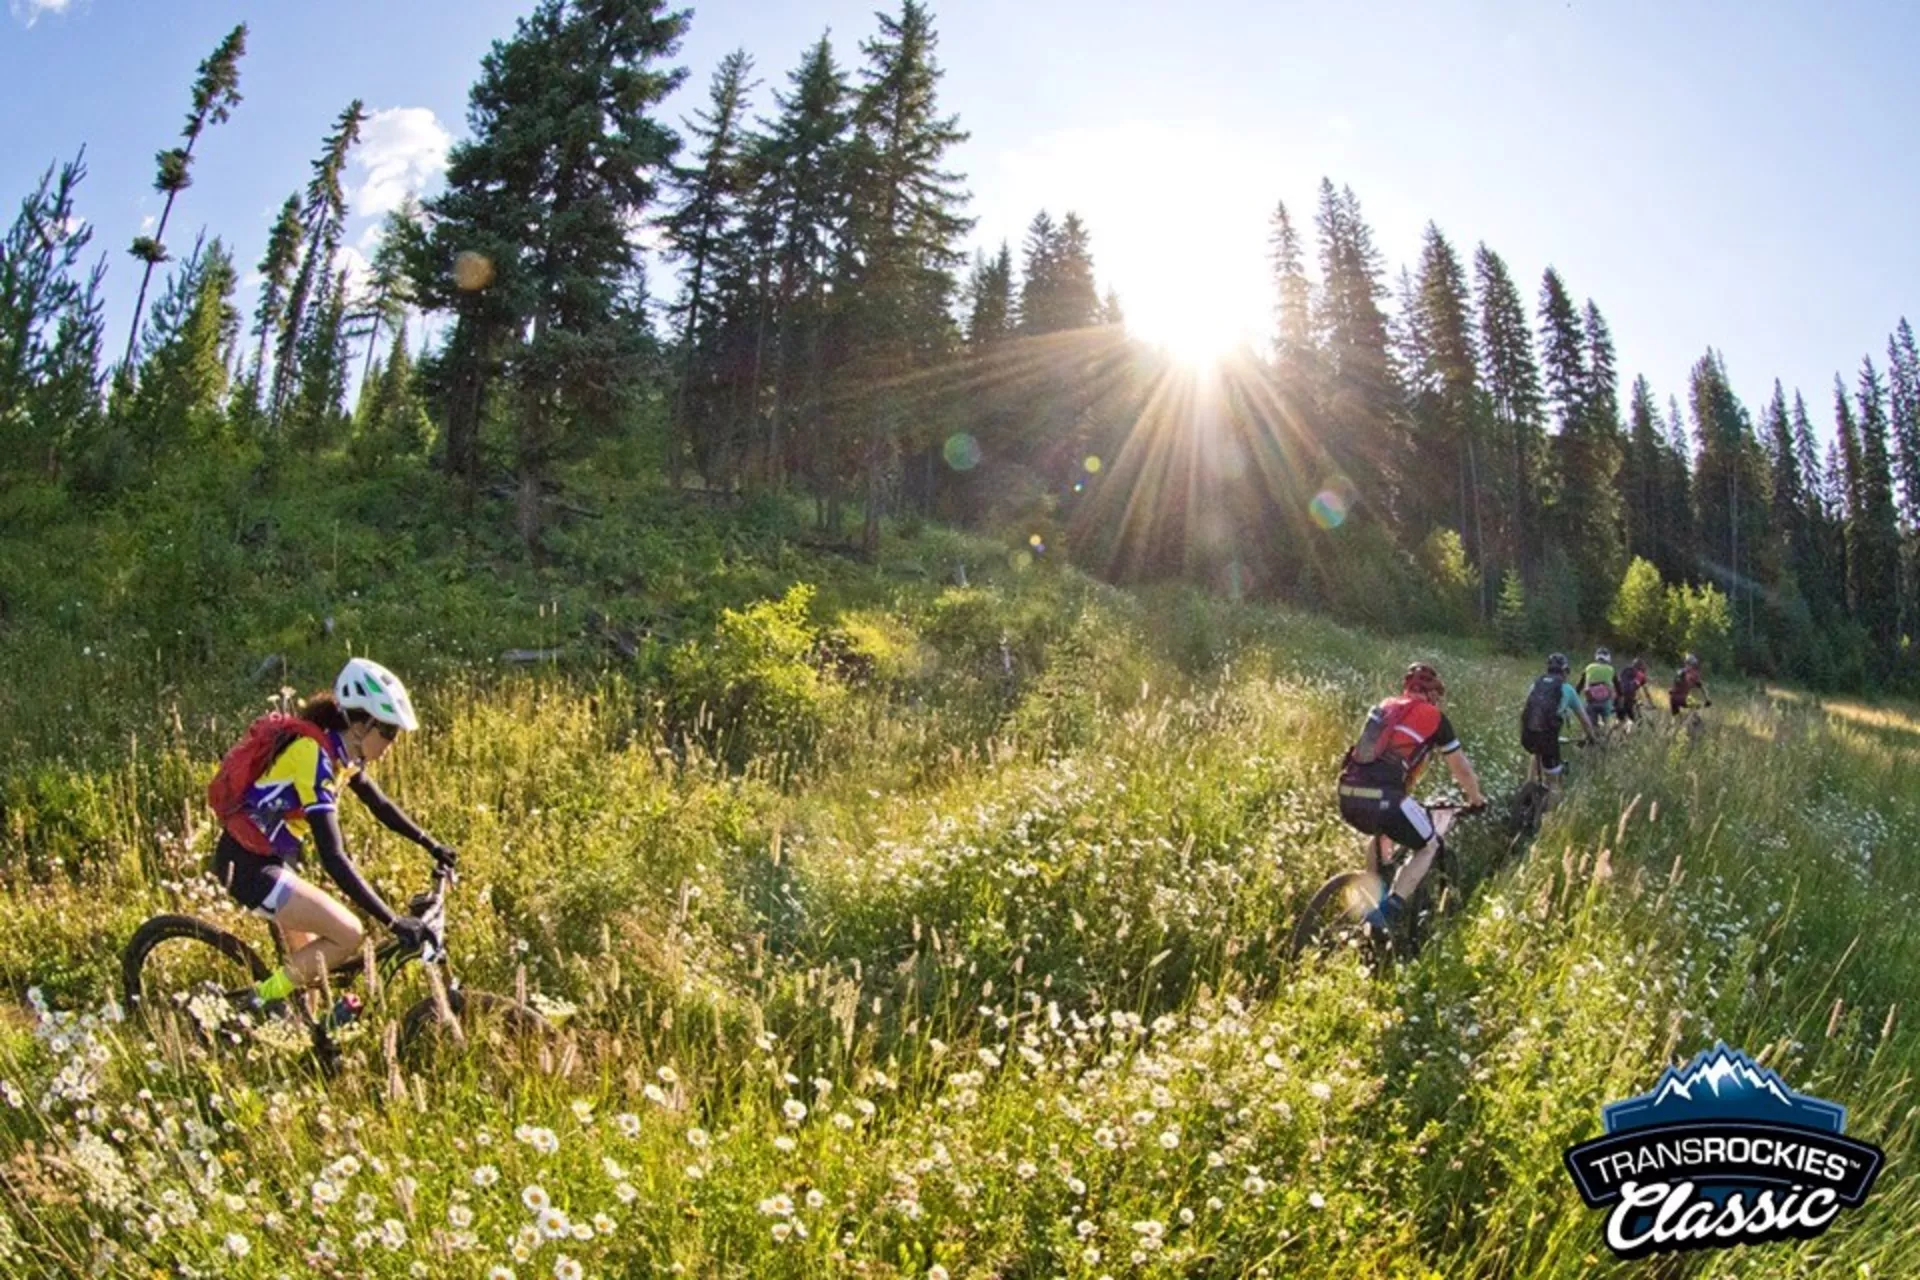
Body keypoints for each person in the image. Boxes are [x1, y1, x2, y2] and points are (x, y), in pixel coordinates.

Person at [210, 658, 456, 1012]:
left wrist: (431, 844)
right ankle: (256, 1001)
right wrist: (392, 920)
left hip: (275, 861)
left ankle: (294, 1029)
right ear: (362, 725)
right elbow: (333, 856)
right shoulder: (314, 756)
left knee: (311, 980)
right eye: (388, 732)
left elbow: (380, 804)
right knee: (349, 934)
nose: (391, 742)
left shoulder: (343, 753)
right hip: (249, 866)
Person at [1335, 662, 1488, 932]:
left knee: (1381, 830)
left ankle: (1372, 895)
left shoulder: (1385, 707)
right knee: (1428, 845)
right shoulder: (1435, 717)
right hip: (1386, 797)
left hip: (1347, 792)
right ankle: (1389, 913)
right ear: (1432, 695)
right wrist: (1476, 799)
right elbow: (1461, 769)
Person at [1521, 652, 1595, 787]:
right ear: (1565, 671)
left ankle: (1528, 786)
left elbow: (1528, 709)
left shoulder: (1536, 684)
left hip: (1527, 735)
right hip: (1549, 739)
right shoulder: (1567, 689)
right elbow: (1584, 720)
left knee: (1535, 752)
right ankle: (1550, 805)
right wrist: (1591, 737)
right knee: (1554, 784)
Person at [1579, 647, 1617, 729]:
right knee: (1607, 726)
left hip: (1590, 700)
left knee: (1591, 727)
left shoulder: (1589, 667)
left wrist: (1576, 694)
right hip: (1605, 701)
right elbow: (1618, 686)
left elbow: (1580, 685)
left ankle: (1591, 739)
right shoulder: (1611, 669)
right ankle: (1606, 739)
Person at [1669, 653, 1712, 718]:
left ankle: (1677, 726)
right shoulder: (1694, 674)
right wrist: (1707, 699)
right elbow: (1702, 688)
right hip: (1683, 697)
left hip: (1673, 697)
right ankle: (1694, 723)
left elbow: (1675, 683)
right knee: (1697, 706)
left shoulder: (1680, 671)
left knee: (1676, 718)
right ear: (1693, 664)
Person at [1614, 657, 1650, 726]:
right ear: (1641, 668)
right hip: (1628, 699)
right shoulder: (1641, 675)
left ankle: (1612, 732)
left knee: (1620, 719)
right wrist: (1651, 703)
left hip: (1618, 697)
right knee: (1633, 720)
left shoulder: (1625, 670)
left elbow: (1619, 682)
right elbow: (1646, 692)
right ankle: (1626, 732)